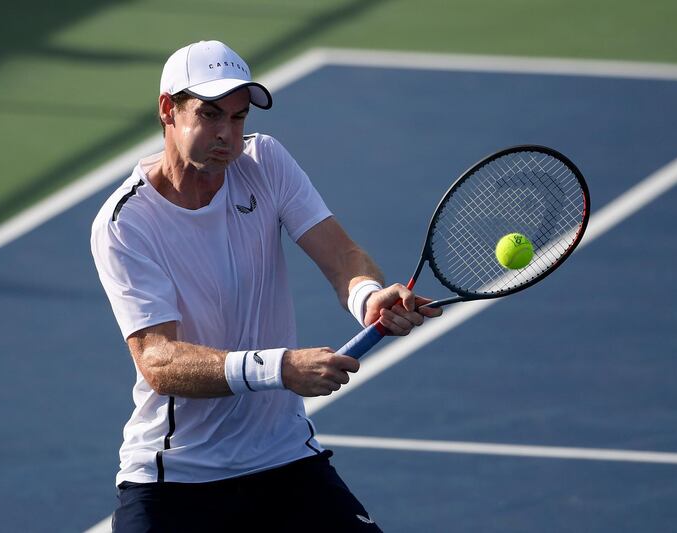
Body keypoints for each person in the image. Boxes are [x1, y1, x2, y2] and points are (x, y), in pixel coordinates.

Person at [91, 40, 442, 532]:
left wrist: (367, 294)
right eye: (210, 115)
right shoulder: (126, 222)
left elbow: (342, 255)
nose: (227, 135)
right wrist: (280, 367)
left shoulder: (265, 163)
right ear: (167, 110)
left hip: (282, 461)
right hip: (176, 479)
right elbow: (158, 361)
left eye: (237, 119)